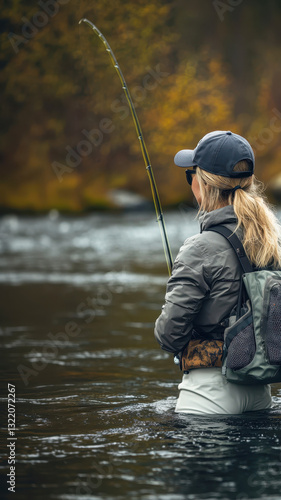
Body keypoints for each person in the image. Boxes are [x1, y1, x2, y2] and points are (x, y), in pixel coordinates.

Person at [154, 130, 281, 415]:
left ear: (203, 184)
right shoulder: (272, 241)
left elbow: (169, 336)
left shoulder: (199, 248)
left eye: (191, 175)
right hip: (261, 394)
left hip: (209, 397)